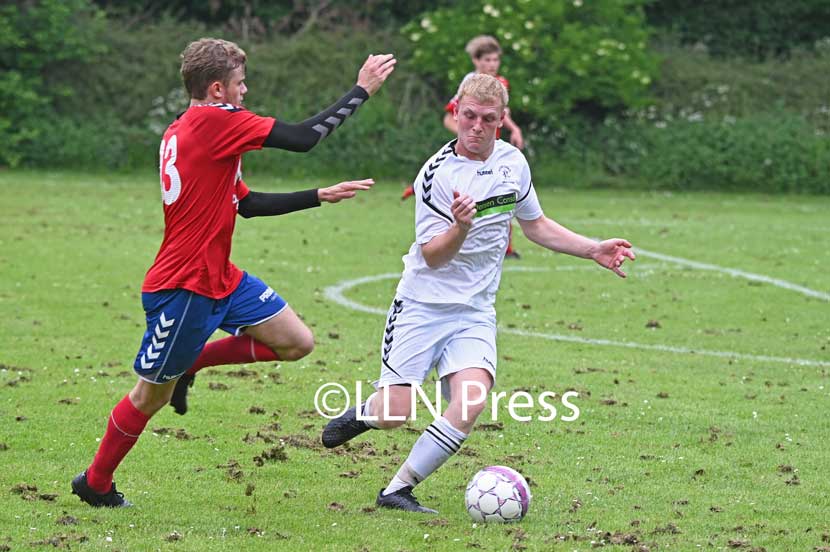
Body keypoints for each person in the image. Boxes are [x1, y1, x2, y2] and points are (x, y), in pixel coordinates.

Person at [70, 38, 396, 508]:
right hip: (183, 288)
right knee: (148, 398)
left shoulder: (186, 128)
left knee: (296, 342)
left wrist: (317, 195)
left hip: (219, 275)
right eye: (241, 84)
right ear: (218, 88)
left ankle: (194, 362)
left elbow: (246, 204)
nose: (247, 92)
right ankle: (95, 483)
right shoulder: (215, 120)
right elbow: (305, 138)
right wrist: (361, 89)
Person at [322, 74, 634, 513]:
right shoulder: (437, 174)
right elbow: (432, 256)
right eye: (468, 116)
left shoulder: (513, 163)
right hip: (421, 306)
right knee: (395, 413)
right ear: (456, 111)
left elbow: (536, 225)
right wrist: (460, 227)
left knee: (469, 401)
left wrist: (592, 249)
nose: (476, 127)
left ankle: (397, 489)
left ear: (501, 120)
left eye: (488, 119)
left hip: (473, 311)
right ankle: (365, 413)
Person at [402, 35, 523, 258]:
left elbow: (503, 114)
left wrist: (514, 129)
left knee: (503, 195)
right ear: (476, 61)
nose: (492, 65)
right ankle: (424, 195)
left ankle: (506, 248)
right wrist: (468, 137)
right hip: (473, 155)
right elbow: (450, 116)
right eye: (487, 60)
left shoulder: (502, 83)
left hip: (493, 152)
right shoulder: (470, 84)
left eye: (495, 60)